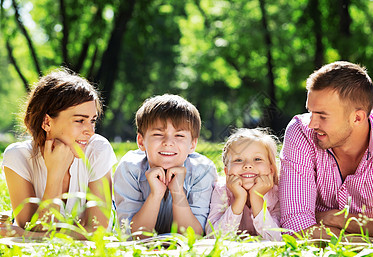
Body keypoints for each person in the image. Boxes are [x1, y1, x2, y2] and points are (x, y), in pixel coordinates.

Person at [279, 61, 373, 239]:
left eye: (322, 116)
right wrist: (356, 239)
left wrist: (340, 220)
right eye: (311, 112)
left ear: (357, 118)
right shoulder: (300, 132)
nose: (312, 124)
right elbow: (295, 225)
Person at [2, 69, 117, 238]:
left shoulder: (98, 150)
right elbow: (31, 228)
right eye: (80, 120)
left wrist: (26, 235)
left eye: (92, 121)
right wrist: (55, 174)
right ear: (47, 122)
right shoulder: (18, 156)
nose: (90, 131)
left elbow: (98, 232)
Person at [114, 94, 217, 238]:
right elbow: (134, 237)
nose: (168, 142)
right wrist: (155, 195)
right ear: (141, 141)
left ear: (193, 144)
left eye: (179, 136)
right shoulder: (129, 168)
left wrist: (178, 192)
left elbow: (192, 237)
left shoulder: (202, 170)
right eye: (158, 134)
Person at [206, 128, 281, 241]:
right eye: (238, 160)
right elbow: (214, 237)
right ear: (227, 172)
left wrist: (257, 198)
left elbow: (276, 239)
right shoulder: (221, 191)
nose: (248, 165)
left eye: (257, 159)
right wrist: (239, 199)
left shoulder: (277, 194)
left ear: (271, 170)